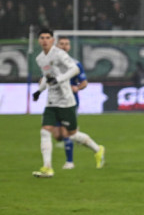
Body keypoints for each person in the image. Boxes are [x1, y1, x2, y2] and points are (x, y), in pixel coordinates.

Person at [31, 29, 105, 178]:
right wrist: (39, 90)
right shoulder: (40, 58)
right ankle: (48, 168)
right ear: (39, 41)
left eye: (47, 37)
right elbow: (47, 76)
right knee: (45, 131)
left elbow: (75, 69)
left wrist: (59, 80)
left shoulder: (59, 54)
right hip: (52, 101)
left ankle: (97, 149)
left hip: (66, 101)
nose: (45, 40)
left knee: (71, 134)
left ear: (52, 40)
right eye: (42, 38)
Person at [55, 37, 101, 170]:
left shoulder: (75, 64)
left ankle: (70, 162)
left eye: (66, 44)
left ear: (69, 47)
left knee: (67, 133)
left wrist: (77, 88)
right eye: (62, 44)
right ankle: (97, 148)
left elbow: (84, 82)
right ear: (57, 46)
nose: (64, 46)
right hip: (56, 101)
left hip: (70, 101)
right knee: (58, 134)